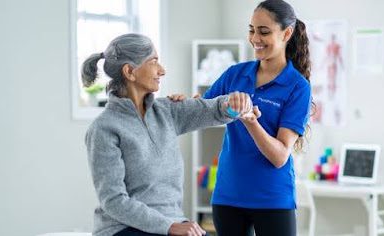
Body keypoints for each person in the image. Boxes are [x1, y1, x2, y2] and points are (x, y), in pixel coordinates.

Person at [82, 33, 254, 236]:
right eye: (153, 61)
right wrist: (169, 227)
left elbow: (212, 110)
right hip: (123, 228)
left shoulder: (166, 111)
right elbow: (113, 201)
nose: (162, 70)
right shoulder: (104, 129)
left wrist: (234, 104)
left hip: (170, 222)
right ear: (130, 71)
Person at [204, 0, 313, 235]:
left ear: (287, 33)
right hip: (228, 195)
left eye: (264, 32)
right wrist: (183, 102)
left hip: (272, 199)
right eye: (251, 30)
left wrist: (251, 121)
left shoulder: (297, 87)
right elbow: (203, 111)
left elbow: (280, 156)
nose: (255, 38)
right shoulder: (235, 74)